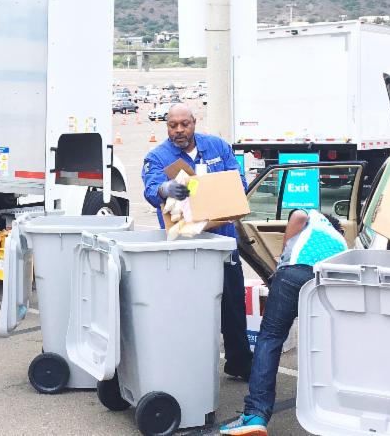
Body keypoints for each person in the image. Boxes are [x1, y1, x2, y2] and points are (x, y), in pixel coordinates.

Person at [141, 103, 252, 379]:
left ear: (194, 122)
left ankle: (239, 362)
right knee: (187, 308)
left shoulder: (217, 147)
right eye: (172, 125)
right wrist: (164, 188)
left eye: (184, 124)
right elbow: (151, 188)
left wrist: (219, 191)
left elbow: (238, 182)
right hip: (186, 246)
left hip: (222, 241)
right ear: (167, 126)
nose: (179, 130)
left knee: (233, 304)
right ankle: (188, 365)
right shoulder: (157, 156)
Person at [220, 210, 348, 435]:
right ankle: (330, 410)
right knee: (321, 342)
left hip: (295, 272)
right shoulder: (341, 242)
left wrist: (280, 263)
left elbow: (298, 215)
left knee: (270, 337)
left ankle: (255, 414)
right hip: (326, 284)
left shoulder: (313, 216)